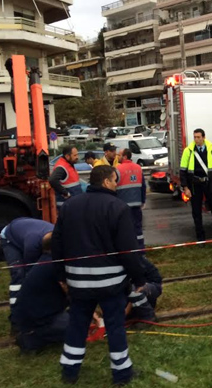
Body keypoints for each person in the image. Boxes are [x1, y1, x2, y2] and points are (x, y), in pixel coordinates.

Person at [52, 165, 146, 386]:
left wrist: (61, 276)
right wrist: (139, 278)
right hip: (110, 283)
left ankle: (69, 371)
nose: (117, 185)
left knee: (77, 324)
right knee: (114, 327)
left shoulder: (69, 206)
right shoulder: (117, 207)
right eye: (115, 181)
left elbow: (57, 244)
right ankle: (122, 374)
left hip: (77, 281)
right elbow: (128, 250)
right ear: (105, 182)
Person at [0, 218, 54, 328]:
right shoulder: (32, 244)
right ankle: (16, 317)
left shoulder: (58, 235)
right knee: (19, 274)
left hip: (24, 230)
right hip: (9, 238)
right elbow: (31, 273)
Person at [13, 254, 69, 354]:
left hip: (39, 312)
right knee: (77, 326)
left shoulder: (48, 260)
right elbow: (69, 291)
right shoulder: (56, 265)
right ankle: (30, 339)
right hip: (37, 318)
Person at [179, 128, 212, 243]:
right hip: (195, 185)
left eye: (198, 137)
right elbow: (182, 171)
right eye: (194, 137)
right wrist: (185, 188)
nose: (196, 139)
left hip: (209, 183)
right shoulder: (188, 151)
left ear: (204, 137)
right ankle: (201, 239)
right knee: (196, 213)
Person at [116, 149, 147, 249]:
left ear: (125, 157)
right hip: (136, 205)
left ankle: (128, 250)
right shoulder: (138, 168)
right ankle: (140, 250)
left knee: (124, 230)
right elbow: (143, 186)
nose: (117, 156)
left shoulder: (118, 169)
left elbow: (113, 187)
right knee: (138, 229)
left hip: (122, 206)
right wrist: (143, 200)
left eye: (119, 155)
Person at [125, 254, 162, 324]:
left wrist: (125, 312)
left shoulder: (133, 260)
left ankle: (148, 317)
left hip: (150, 285)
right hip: (134, 287)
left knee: (135, 291)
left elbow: (136, 290)